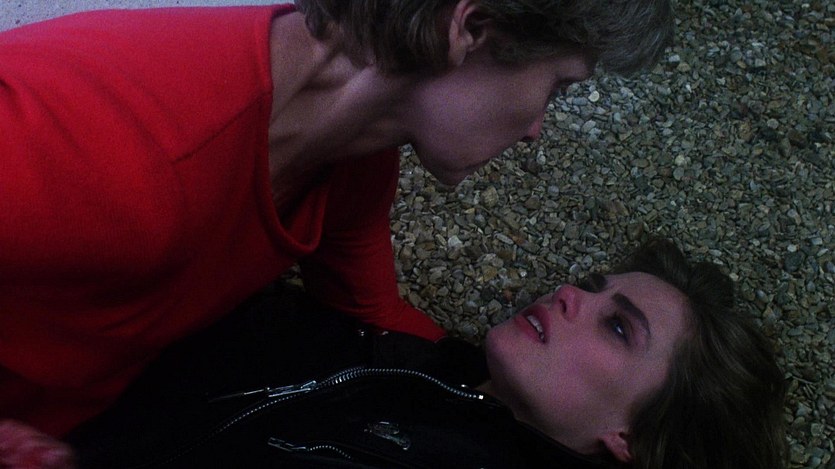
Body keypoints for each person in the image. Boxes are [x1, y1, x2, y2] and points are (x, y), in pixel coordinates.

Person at [0, 0, 674, 440]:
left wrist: (545, 409)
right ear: (471, 29)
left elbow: (371, 310)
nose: (535, 131)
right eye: (556, 87)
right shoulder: (105, 149)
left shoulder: (356, 162)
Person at [53, 239, 784, 469]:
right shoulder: (443, 373)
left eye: (618, 328)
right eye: (593, 288)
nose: (570, 294)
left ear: (630, 438)